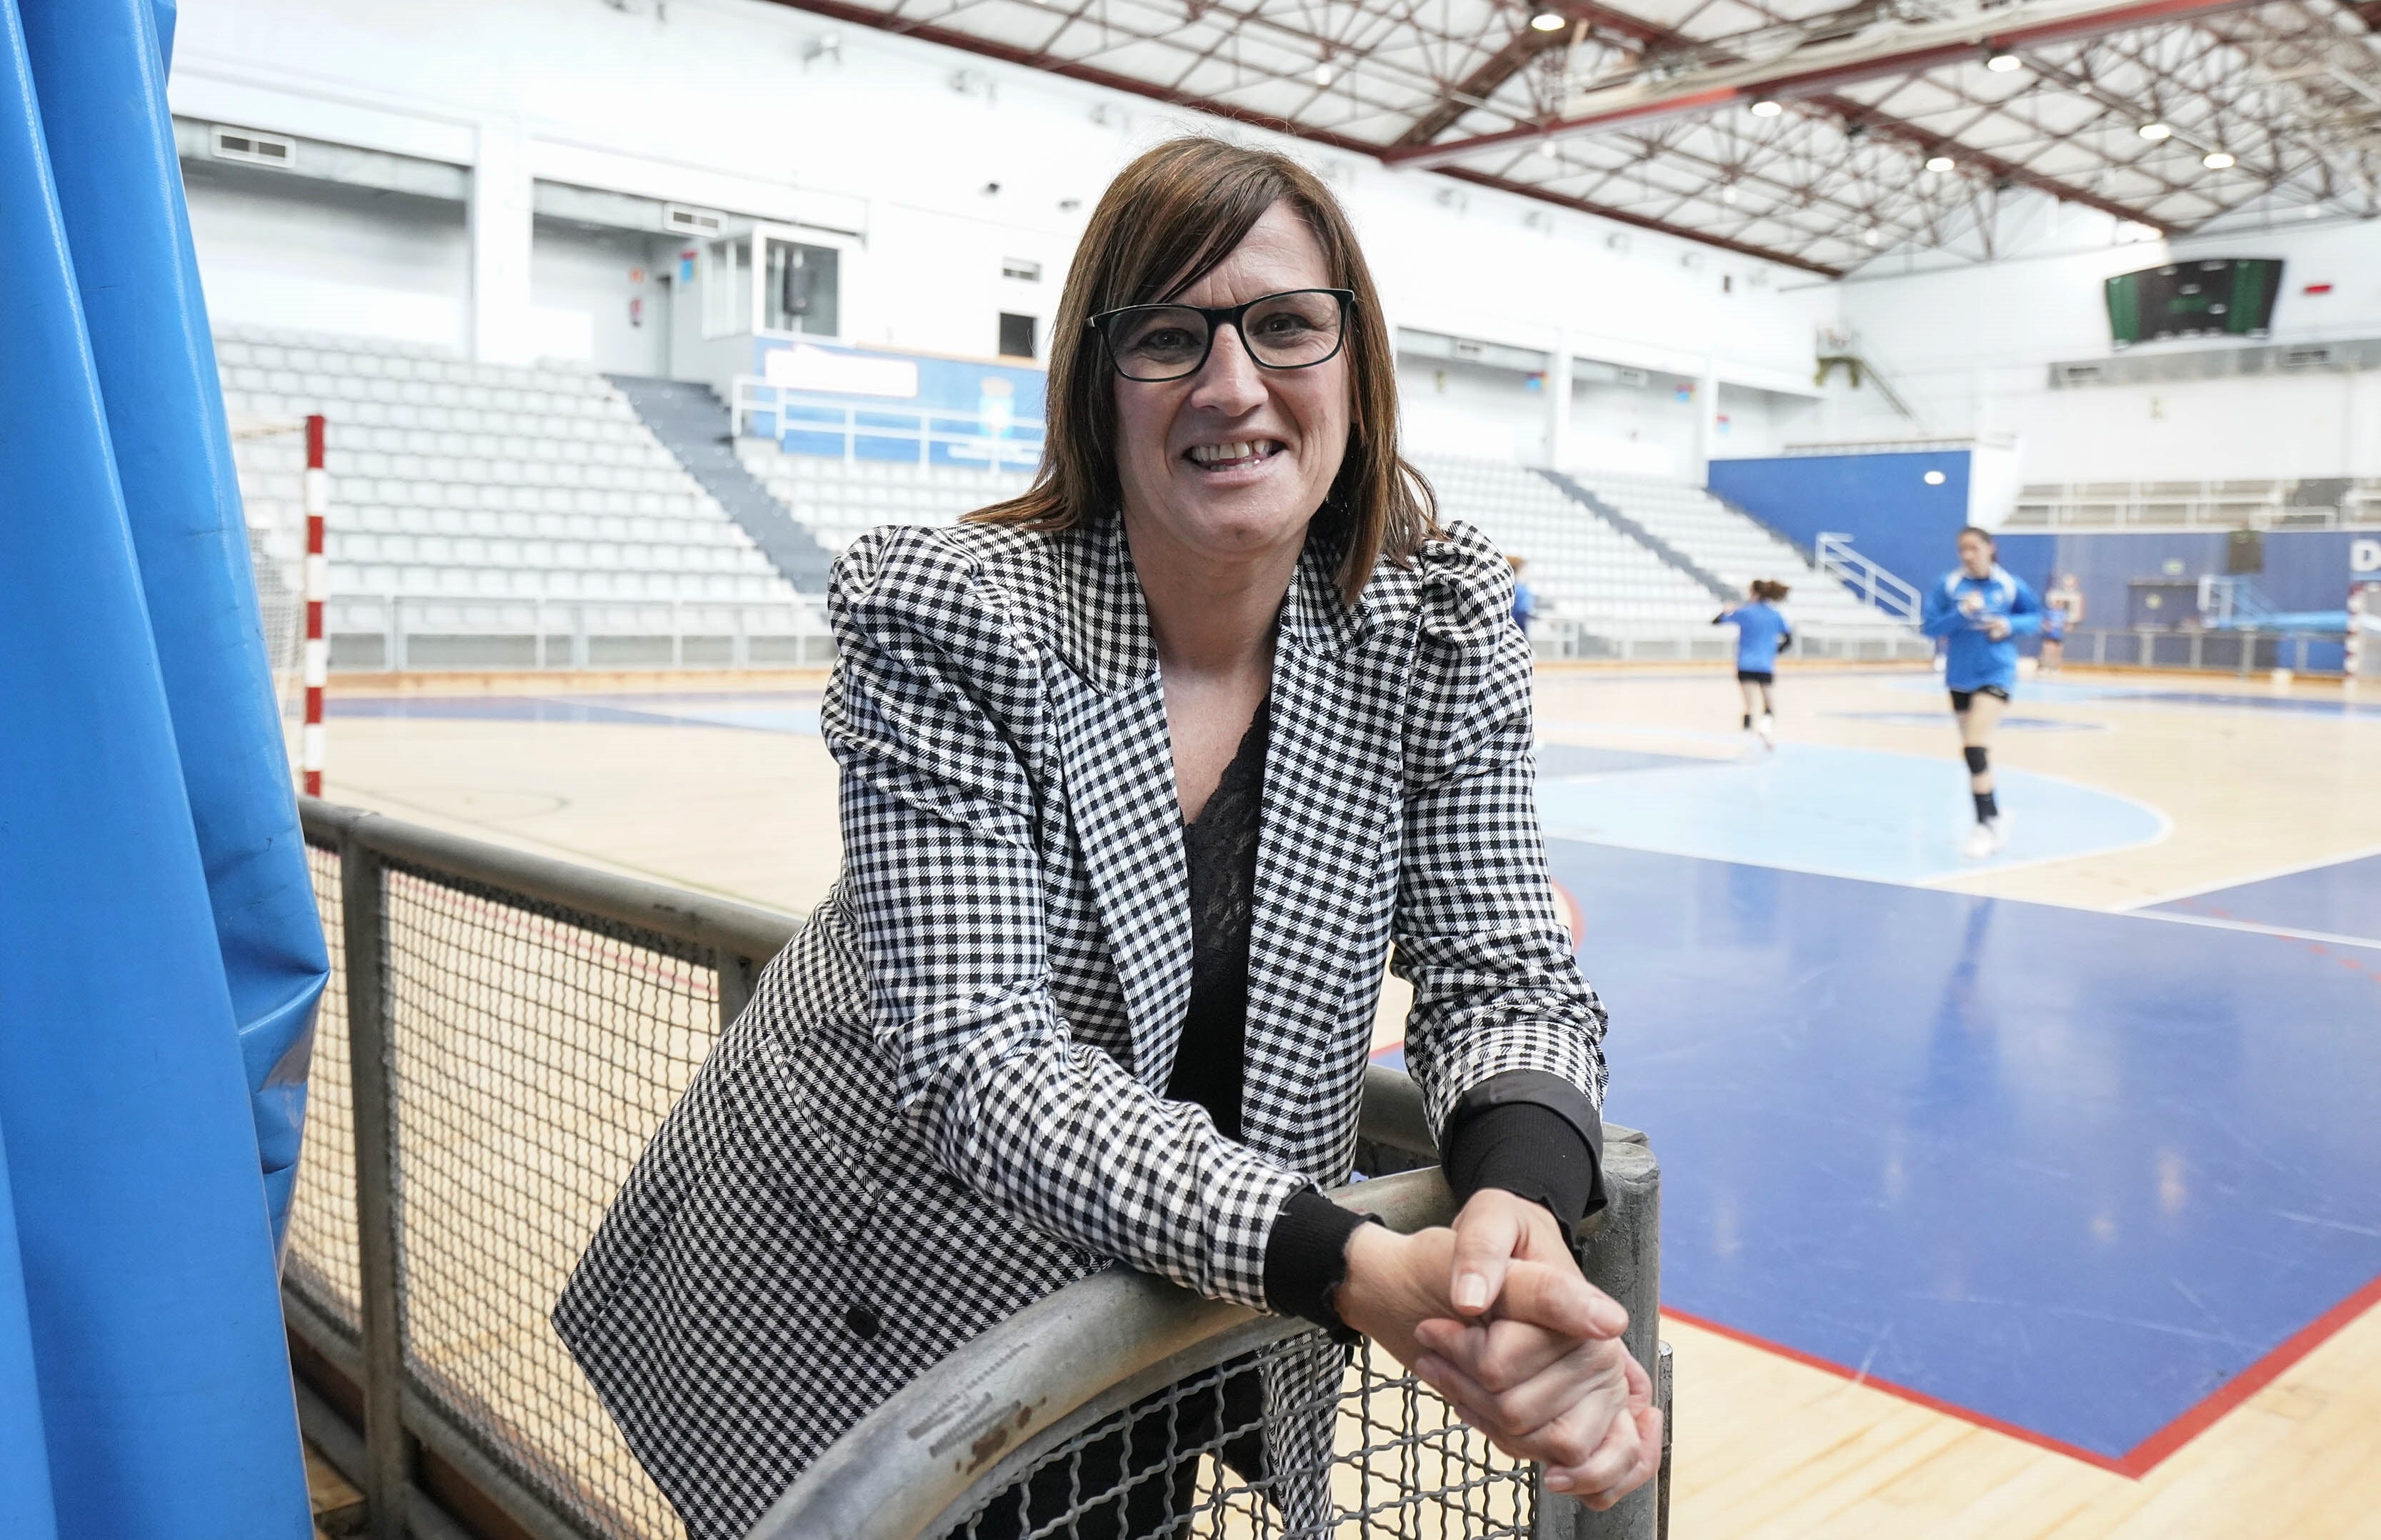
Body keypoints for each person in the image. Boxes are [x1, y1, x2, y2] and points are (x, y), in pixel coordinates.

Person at [553, 137, 1659, 1540]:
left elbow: (1500, 962)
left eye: (1283, 324)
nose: (1231, 383)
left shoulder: (1428, 633)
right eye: (1166, 337)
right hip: (872, 1279)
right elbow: (982, 1058)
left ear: (1352, 358)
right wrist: (1353, 1260)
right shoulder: (954, 616)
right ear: (1101, 383)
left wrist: (1516, 1207)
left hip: (1191, 1279)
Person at [1920, 526, 2042, 859]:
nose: (1968, 555)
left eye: (1974, 548)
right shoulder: (1949, 586)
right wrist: (1961, 613)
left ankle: (1985, 825)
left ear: (1991, 548)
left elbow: (2035, 617)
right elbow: (1929, 627)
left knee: (1975, 747)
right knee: (1975, 753)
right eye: (1962, 549)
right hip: (1960, 676)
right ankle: (1997, 813)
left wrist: (2009, 626)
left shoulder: (2009, 585)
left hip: (1996, 671)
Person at [1714, 578, 1792, 748]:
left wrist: (1725, 611)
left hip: (1745, 665)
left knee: (1750, 706)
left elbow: (1717, 622)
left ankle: (1746, 736)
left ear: (1754, 593)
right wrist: (1773, 652)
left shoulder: (1745, 612)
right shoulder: (1775, 615)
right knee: (1769, 706)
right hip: (1765, 665)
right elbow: (1788, 640)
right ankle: (1764, 727)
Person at [2041, 572, 2083, 674]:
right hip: (2050, 634)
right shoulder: (2050, 612)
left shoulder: (2064, 614)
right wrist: (2046, 626)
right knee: (2047, 650)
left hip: (2058, 634)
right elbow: (2044, 621)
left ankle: (2055, 668)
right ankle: (2045, 667)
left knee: (2058, 651)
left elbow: (2069, 620)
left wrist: (2069, 625)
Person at [1509, 553, 1537, 636]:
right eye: (1525, 568)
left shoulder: (1520, 587)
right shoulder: (1518, 589)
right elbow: (1522, 612)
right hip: (1517, 629)